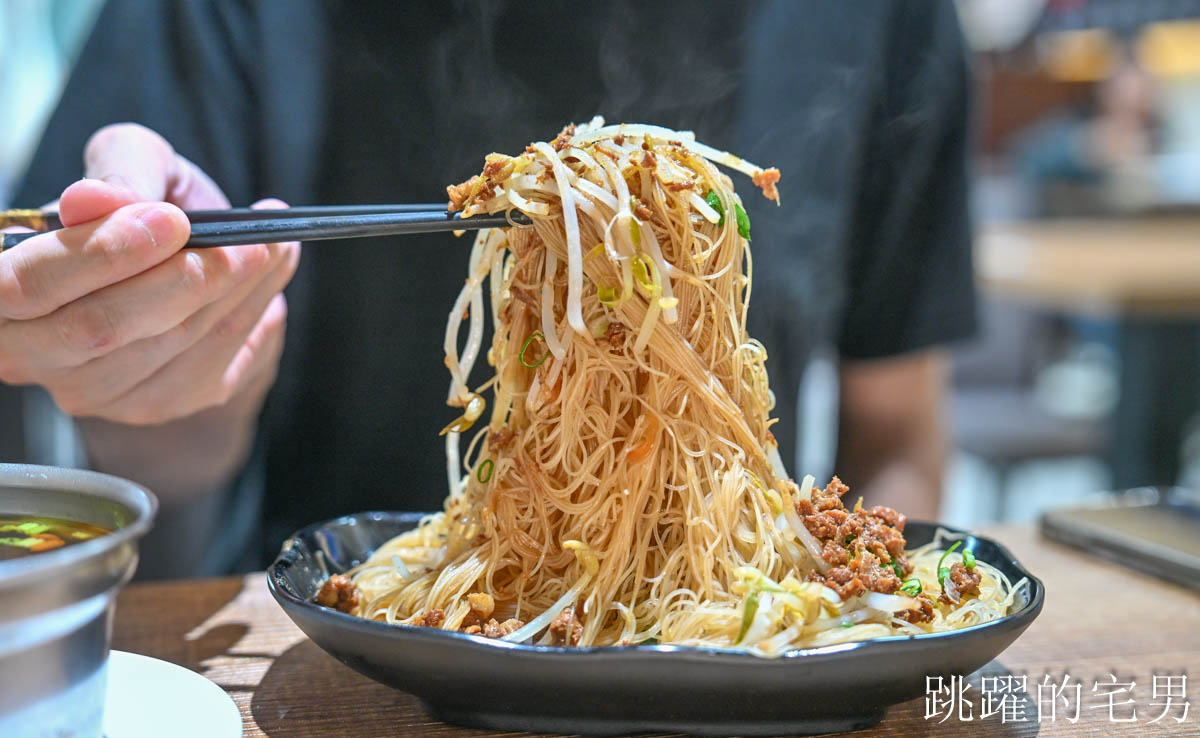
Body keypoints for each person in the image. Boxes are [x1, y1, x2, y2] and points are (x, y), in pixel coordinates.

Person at [3, 0, 975, 577]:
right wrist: (152, 369)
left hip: (723, 626)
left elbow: (895, 433)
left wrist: (859, 620)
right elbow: (160, 470)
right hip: (333, 649)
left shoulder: (880, 18)